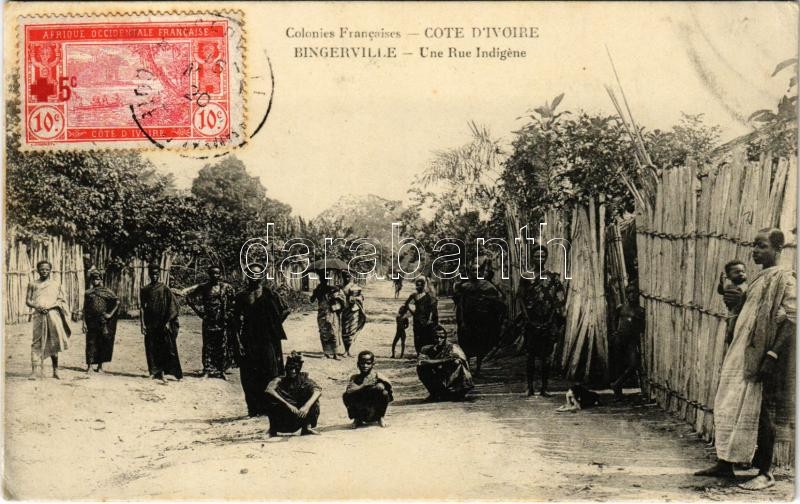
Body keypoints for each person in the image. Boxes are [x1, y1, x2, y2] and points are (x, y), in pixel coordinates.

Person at [695, 228, 795, 491]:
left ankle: (765, 472)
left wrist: (772, 355)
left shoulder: (785, 279)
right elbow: (748, 314)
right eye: (754, 245)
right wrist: (737, 303)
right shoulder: (757, 279)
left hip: (763, 355)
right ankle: (725, 463)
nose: (755, 251)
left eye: (762, 246)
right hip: (741, 352)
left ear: (778, 249)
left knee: (763, 410)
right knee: (729, 403)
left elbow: (792, 320)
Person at [233, 264, 289, 417]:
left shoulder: (270, 294)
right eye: (251, 274)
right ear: (247, 276)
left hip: (267, 339)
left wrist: (274, 325)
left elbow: (286, 309)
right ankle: (253, 408)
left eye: (258, 274)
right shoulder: (241, 296)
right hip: (249, 339)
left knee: (270, 371)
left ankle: (269, 407)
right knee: (249, 373)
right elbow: (235, 320)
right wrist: (238, 342)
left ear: (262, 276)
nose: (254, 277)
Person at [519, 245, 566, 397]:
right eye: (537, 256)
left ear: (546, 258)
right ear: (532, 258)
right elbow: (520, 298)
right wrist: (526, 317)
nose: (540, 258)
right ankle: (530, 387)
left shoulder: (552, 277)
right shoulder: (526, 276)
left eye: (543, 256)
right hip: (531, 321)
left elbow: (559, 299)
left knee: (546, 357)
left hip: (548, 321)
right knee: (530, 355)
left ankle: (544, 388)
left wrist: (552, 318)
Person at [179, 266, 237, 379]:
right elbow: (189, 298)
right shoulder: (204, 287)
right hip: (208, 321)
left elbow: (233, 302)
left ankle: (221, 370)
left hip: (221, 321)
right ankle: (207, 370)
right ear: (209, 275)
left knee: (222, 345)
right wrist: (199, 313)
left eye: (217, 273)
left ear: (220, 274)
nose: (216, 275)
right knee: (208, 345)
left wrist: (228, 314)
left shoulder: (226, 287)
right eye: (213, 273)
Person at [453, 265, 506, 375]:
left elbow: (498, 301)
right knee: (466, 343)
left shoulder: (488, 286)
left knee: (480, 344)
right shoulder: (464, 287)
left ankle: (478, 367)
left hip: (482, 321)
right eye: (473, 270)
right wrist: (461, 321)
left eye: (478, 270)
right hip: (468, 321)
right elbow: (460, 305)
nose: (475, 272)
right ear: (469, 272)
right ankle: (467, 366)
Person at [25, 260, 71, 380]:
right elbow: (28, 301)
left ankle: (55, 371)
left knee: (53, 341)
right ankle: (34, 372)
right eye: (42, 269)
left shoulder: (56, 284)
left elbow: (61, 300)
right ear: (38, 270)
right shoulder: (32, 284)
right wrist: (37, 306)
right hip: (38, 316)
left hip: (53, 315)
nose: (44, 271)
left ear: (50, 270)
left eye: (47, 269)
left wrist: (51, 306)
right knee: (36, 341)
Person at [139, 262, 183, 384]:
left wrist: (168, 321)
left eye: (156, 274)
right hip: (150, 322)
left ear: (159, 274)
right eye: (152, 274)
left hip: (162, 323)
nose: (154, 276)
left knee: (164, 347)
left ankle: (164, 373)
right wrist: (142, 324)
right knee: (150, 346)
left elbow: (173, 306)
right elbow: (142, 307)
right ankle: (153, 372)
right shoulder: (145, 289)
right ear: (149, 274)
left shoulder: (164, 288)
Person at [265, 352, 322, 437]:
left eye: (296, 369)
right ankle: (272, 430)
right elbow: (269, 390)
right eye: (291, 368)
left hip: (299, 416)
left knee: (312, 398)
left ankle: (306, 428)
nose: (293, 371)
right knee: (270, 397)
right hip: (284, 418)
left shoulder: (303, 379)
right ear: (286, 368)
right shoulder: (279, 380)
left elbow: (317, 391)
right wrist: (288, 405)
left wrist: (306, 406)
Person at [417, 325, 474, 401]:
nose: (439, 339)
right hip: (439, 379)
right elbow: (421, 362)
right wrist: (445, 360)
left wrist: (434, 362)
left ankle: (455, 392)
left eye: (442, 337)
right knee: (421, 368)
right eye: (436, 337)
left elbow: (459, 361)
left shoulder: (453, 347)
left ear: (445, 338)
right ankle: (435, 393)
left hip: (452, 379)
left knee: (456, 363)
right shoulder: (426, 349)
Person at [610, 284, 644, 400]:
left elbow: (642, 327)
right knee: (618, 366)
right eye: (629, 293)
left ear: (638, 294)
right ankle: (618, 394)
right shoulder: (621, 308)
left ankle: (617, 383)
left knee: (634, 364)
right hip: (620, 339)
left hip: (631, 340)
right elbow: (614, 319)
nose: (632, 295)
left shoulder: (640, 311)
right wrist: (614, 332)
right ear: (626, 294)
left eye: (634, 293)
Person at [343, 350, 393, 428]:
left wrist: (381, 385)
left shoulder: (377, 376)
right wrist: (364, 385)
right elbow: (349, 391)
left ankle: (380, 417)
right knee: (346, 395)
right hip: (361, 408)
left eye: (368, 363)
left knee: (384, 393)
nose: (365, 366)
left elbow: (389, 391)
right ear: (358, 364)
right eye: (362, 363)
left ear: (373, 364)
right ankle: (357, 419)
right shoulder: (355, 377)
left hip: (374, 409)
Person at [83, 270, 119, 374]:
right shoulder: (88, 293)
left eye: (98, 279)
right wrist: (84, 323)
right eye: (93, 279)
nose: (95, 281)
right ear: (91, 280)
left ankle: (100, 366)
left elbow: (117, 302)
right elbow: (85, 308)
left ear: (101, 280)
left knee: (102, 342)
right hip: (91, 321)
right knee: (91, 342)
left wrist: (110, 314)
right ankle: (90, 366)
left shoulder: (107, 292)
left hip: (103, 321)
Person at [310, 273, 344, 359]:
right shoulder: (318, 289)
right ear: (320, 279)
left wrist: (334, 296)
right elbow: (312, 300)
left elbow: (340, 300)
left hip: (331, 312)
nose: (324, 280)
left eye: (325, 279)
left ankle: (335, 353)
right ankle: (326, 353)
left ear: (327, 280)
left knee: (334, 332)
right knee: (324, 333)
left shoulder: (332, 289)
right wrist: (315, 293)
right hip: (322, 313)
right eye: (322, 279)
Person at [404, 277, 438, 355]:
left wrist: (430, 319)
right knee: (417, 337)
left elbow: (432, 309)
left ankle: (424, 353)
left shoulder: (428, 296)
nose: (419, 287)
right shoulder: (414, 296)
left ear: (423, 286)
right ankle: (418, 353)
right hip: (417, 320)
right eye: (417, 285)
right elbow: (407, 304)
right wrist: (412, 312)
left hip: (425, 320)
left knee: (425, 336)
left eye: (420, 285)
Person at [717, 260, 748, 345]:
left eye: (743, 271)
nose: (741, 274)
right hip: (733, 313)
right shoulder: (730, 286)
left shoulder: (748, 286)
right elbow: (721, 291)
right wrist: (721, 283)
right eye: (736, 272)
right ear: (729, 276)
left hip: (745, 314)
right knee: (732, 329)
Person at [340, 271, 367, 357]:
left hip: (354, 311)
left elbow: (361, 297)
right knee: (344, 330)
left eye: (348, 276)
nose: (346, 278)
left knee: (352, 330)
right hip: (344, 311)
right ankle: (345, 350)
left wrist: (355, 299)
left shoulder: (354, 287)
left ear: (351, 277)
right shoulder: (340, 287)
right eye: (345, 276)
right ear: (342, 277)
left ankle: (348, 350)